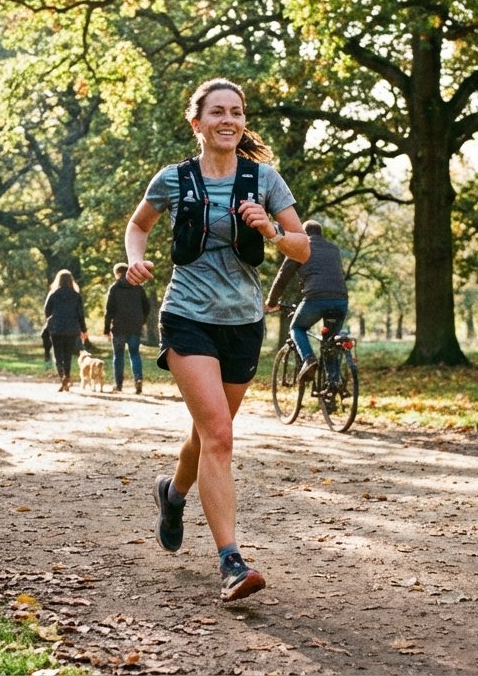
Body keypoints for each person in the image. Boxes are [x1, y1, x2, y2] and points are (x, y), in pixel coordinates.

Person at [124, 78, 309, 602]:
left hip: (243, 322)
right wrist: (136, 258)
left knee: (208, 435)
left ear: (243, 122)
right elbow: (138, 225)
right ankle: (231, 561)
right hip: (187, 316)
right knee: (221, 436)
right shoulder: (174, 179)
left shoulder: (265, 180)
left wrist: (272, 232)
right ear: (197, 122)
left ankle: (173, 492)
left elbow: (302, 250)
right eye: (217, 112)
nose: (228, 119)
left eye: (237, 112)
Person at [265, 219, 349, 380]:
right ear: (321, 233)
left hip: (315, 298)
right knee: (330, 342)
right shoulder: (334, 249)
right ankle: (333, 386)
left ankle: (308, 359)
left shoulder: (299, 247)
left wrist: (271, 301)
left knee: (296, 328)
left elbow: (283, 277)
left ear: (304, 234)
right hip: (341, 299)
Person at [103, 262, 151, 393]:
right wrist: (142, 321)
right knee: (134, 353)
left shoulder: (114, 288)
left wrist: (106, 329)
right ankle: (138, 379)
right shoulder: (138, 288)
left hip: (118, 327)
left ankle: (118, 385)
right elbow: (147, 307)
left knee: (118, 355)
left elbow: (109, 310)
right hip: (135, 327)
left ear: (117, 273)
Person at [43, 270, 88, 391]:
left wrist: (52, 319)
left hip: (56, 328)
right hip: (71, 329)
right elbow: (80, 314)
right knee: (68, 355)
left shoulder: (53, 294)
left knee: (58, 355)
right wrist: (83, 330)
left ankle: (62, 376)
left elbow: (47, 310)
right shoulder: (76, 295)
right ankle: (67, 377)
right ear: (70, 281)